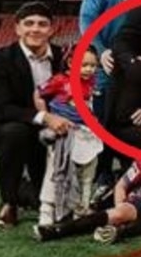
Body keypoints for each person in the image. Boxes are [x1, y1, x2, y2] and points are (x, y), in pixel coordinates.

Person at [35, 113, 141, 244]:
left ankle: (118, 233)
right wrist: (121, 205)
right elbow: (121, 185)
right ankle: (58, 230)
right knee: (118, 213)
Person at [0, 2, 68, 228]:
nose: (35, 29)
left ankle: (27, 192)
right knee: (16, 132)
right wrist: (44, 117)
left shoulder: (64, 57)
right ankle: (9, 202)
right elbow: (1, 108)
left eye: (42, 24)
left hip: (52, 130)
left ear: (52, 29)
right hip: (8, 127)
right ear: (18, 28)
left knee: (47, 197)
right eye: (29, 23)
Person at [34, 47, 103, 225]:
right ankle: (47, 209)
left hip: (87, 132)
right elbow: (38, 93)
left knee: (87, 172)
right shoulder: (60, 80)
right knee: (57, 169)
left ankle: (81, 209)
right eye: (84, 65)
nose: (89, 69)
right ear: (71, 63)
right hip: (64, 133)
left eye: (93, 65)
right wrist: (47, 117)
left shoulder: (92, 82)